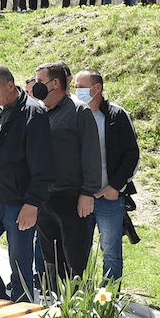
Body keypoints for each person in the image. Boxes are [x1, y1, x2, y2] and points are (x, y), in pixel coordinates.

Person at [0, 65, 53, 303]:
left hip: (20, 204)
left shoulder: (33, 114)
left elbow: (43, 165)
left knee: (20, 265)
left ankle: (22, 313)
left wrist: (33, 204)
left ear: (9, 85)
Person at [33, 62, 101, 288]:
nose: (36, 86)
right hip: (44, 199)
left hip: (72, 199)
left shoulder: (78, 110)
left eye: (41, 81)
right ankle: (56, 310)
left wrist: (87, 193)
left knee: (76, 261)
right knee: (51, 260)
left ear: (55, 83)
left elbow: (91, 154)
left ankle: (78, 313)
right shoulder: (39, 111)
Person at [74, 69, 140, 282]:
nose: (77, 91)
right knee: (78, 254)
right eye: (75, 87)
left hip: (109, 199)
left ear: (97, 88)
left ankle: (108, 305)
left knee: (111, 255)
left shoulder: (116, 116)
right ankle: (79, 304)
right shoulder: (74, 114)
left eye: (82, 87)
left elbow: (132, 155)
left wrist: (115, 187)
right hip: (79, 198)